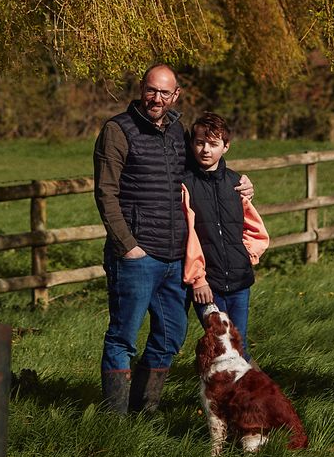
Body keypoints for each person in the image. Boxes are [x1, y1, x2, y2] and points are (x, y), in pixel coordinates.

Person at [93, 66, 254, 415]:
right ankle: (112, 419)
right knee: (123, 337)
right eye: (152, 91)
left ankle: (143, 411)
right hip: (137, 255)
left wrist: (240, 182)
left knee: (168, 338)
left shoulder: (177, 131)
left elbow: (204, 167)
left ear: (176, 95)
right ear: (141, 89)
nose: (157, 99)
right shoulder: (118, 130)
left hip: (175, 258)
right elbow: (106, 192)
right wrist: (128, 246)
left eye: (165, 93)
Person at [183, 113, 270, 357]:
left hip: (240, 281)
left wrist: (248, 254)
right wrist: (198, 279)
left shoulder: (236, 183)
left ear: (226, 146)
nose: (205, 150)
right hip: (208, 285)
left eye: (213, 144)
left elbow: (253, 226)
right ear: (192, 144)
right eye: (200, 143)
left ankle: (245, 393)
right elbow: (187, 237)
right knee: (220, 345)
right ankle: (223, 392)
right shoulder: (185, 184)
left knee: (238, 345)